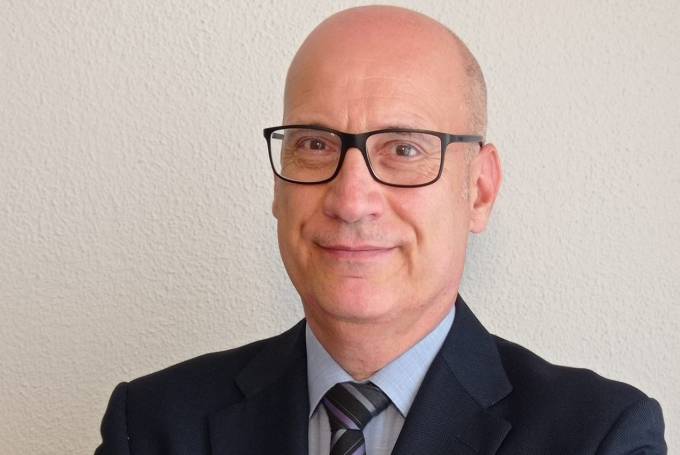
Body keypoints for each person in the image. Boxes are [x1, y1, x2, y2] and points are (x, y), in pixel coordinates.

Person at [95, 5, 666, 454]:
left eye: (404, 149)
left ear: (480, 190)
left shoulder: (600, 435)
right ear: (277, 186)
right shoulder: (150, 425)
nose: (351, 200)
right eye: (314, 144)